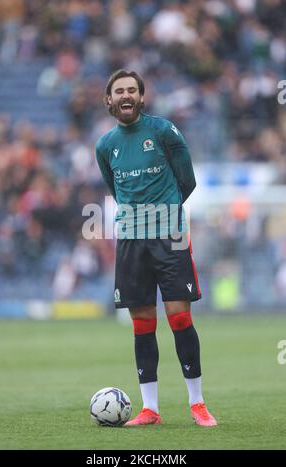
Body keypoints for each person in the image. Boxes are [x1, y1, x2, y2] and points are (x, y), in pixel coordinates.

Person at [96, 69, 217, 427]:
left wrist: (164, 212)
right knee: (142, 323)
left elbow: (187, 180)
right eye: (119, 91)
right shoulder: (105, 145)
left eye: (132, 89)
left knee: (179, 316)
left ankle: (197, 403)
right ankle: (150, 409)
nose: (126, 95)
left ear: (142, 97)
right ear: (109, 100)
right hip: (131, 240)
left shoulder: (163, 131)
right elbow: (115, 189)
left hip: (169, 235)